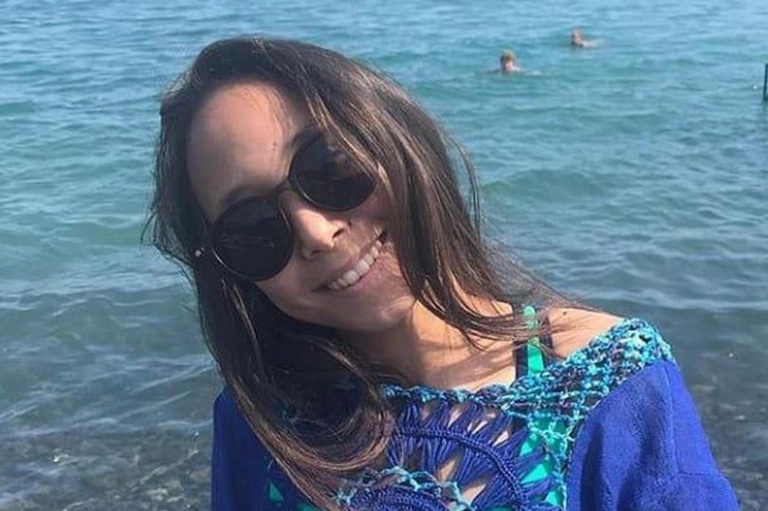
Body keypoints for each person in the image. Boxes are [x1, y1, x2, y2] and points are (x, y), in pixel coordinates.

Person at [146, 36, 738, 510]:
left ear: (396, 138)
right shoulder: (262, 421)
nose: (316, 232)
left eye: (328, 166)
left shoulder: (607, 384)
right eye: (252, 227)